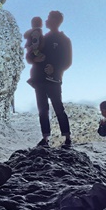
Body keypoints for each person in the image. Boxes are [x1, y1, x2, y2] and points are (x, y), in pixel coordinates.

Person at [30, 10, 73, 148]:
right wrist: (35, 58)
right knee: (42, 109)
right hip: (39, 80)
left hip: (54, 81)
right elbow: (32, 54)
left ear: (56, 21)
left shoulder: (64, 40)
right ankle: (45, 138)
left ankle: (67, 137)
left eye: (49, 18)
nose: (46, 20)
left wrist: (55, 69)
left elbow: (67, 61)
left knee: (58, 107)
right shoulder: (43, 38)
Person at [23, 16, 46, 86]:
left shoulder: (33, 32)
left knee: (36, 65)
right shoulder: (36, 32)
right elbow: (35, 41)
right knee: (42, 60)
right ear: (41, 24)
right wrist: (36, 51)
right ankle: (34, 79)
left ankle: (33, 79)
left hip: (31, 51)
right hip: (34, 51)